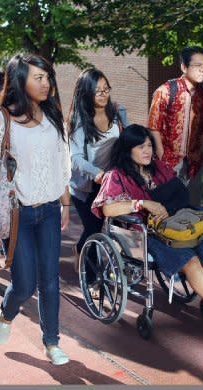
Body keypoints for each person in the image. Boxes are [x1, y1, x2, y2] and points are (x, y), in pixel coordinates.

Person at [92, 124, 203, 335]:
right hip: (144, 234)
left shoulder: (158, 168)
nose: (148, 151)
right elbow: (107, 207)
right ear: (127, 149)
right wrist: (142, 203)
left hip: (175, 225)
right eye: (141, 147)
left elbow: (179, 194)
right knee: (189, 260)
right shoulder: (116, 175)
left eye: (149, 145)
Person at [0, 53, 71, 365]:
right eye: (38, 78)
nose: (46, 84)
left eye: (47, 77)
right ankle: (7, 313)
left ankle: (52, 342)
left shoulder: (54, 117)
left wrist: (65, 202)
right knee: (24, 285)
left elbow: (62, 161)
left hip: (48, 211)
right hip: (18, 216)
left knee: (49, 281)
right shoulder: (0, 121)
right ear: (20, 81)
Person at [68, 68, 128, 273]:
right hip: (86, 186)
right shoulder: (79, 119)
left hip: (112, 182)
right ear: (86, 93)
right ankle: (92, 276)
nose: (103, 95)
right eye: (97, 91)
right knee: (93, 229)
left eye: (106, 89)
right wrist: (96, 173)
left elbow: (126, 143)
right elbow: (75, 158)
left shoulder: (117, 113)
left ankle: (112, 263)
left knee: (112, 226)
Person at [148, 46, 203, 206]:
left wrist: (199, 156)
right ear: (184, 67)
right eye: (198, 66)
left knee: (191, 211)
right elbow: (153, 127)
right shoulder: (165, 91)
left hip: (193, 165)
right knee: (166, 210)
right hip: (168, 163)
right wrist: (161, 156)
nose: (202, 70)